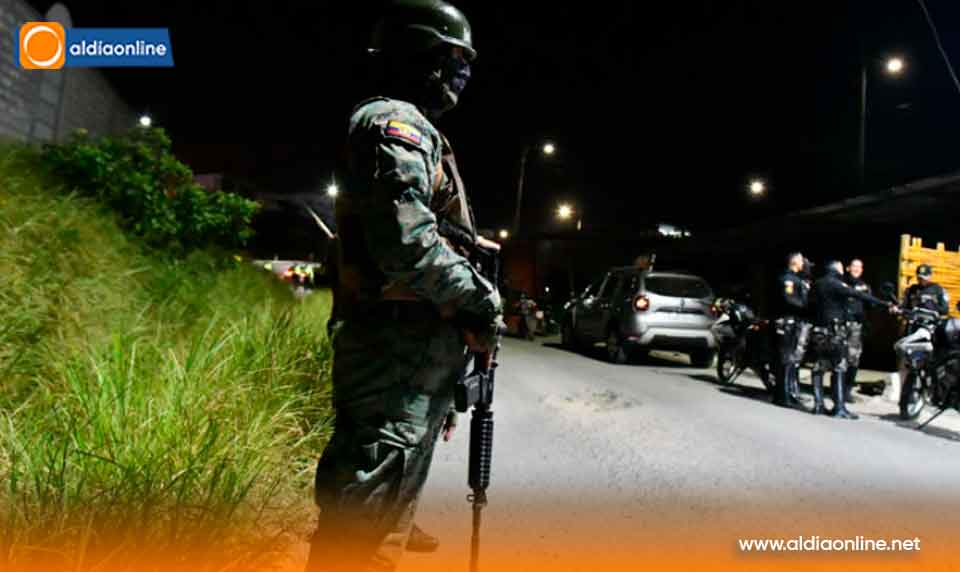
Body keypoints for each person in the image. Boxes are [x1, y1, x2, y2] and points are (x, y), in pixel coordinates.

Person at [305, 2, 503, 571]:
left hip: (407, 364)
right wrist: (482, 300)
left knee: (378, 528)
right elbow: (405, 244)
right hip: (393, 358)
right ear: (419, 54)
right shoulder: (395, 124)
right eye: (455, 58)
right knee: (360, 538)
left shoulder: (416, 129)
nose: (464, 72)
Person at [808, 260, 891, 418]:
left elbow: (809, 304)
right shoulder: (837, 284)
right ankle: (839, 408)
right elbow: (858, 295)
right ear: (836, 269)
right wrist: (885, 304)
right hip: (835, 330)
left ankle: (818, 405)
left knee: (819, 366)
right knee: (839, 366)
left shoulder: (817, 284)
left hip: (819, 329)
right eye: (841, 267)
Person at [772, 252, 811, 409]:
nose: (804, 264)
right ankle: (782, 395)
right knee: (785, 359)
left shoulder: (797, 279)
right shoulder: (787, 279)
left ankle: (788, 393)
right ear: (794, 262)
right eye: (801, 261)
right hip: (786, 322)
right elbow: (788, 299)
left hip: (794, 322)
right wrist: (807, 307)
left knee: (790, 360)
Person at [841, 259, 871, 403]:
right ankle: (838, 389)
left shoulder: (865, 286)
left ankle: (847, 390)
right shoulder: (841, 283)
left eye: (859, 267)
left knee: (853, 359)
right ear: (848, 268)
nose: (856, 269)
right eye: (854, 266)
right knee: (840, 357)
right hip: (841, 324)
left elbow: (870, 304)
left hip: (856, 326)